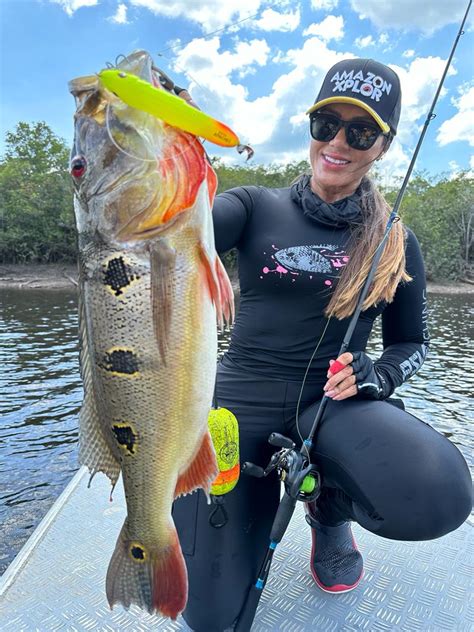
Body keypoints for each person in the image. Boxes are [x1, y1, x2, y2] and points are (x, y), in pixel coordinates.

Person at [172, 58, 472, 632]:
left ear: (381, 147)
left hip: (337, 406)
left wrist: (376, 377)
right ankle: (254, 509)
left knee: (441, 494)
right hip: (237, 403)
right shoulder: (255, 207)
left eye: (360, 132)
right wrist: (172, 143)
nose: (338, 143)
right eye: (325, 125)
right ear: (311, 128)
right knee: (211, 615)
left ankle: (327, 507)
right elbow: (179, 231)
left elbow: (413, 342)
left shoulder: (398, 242)